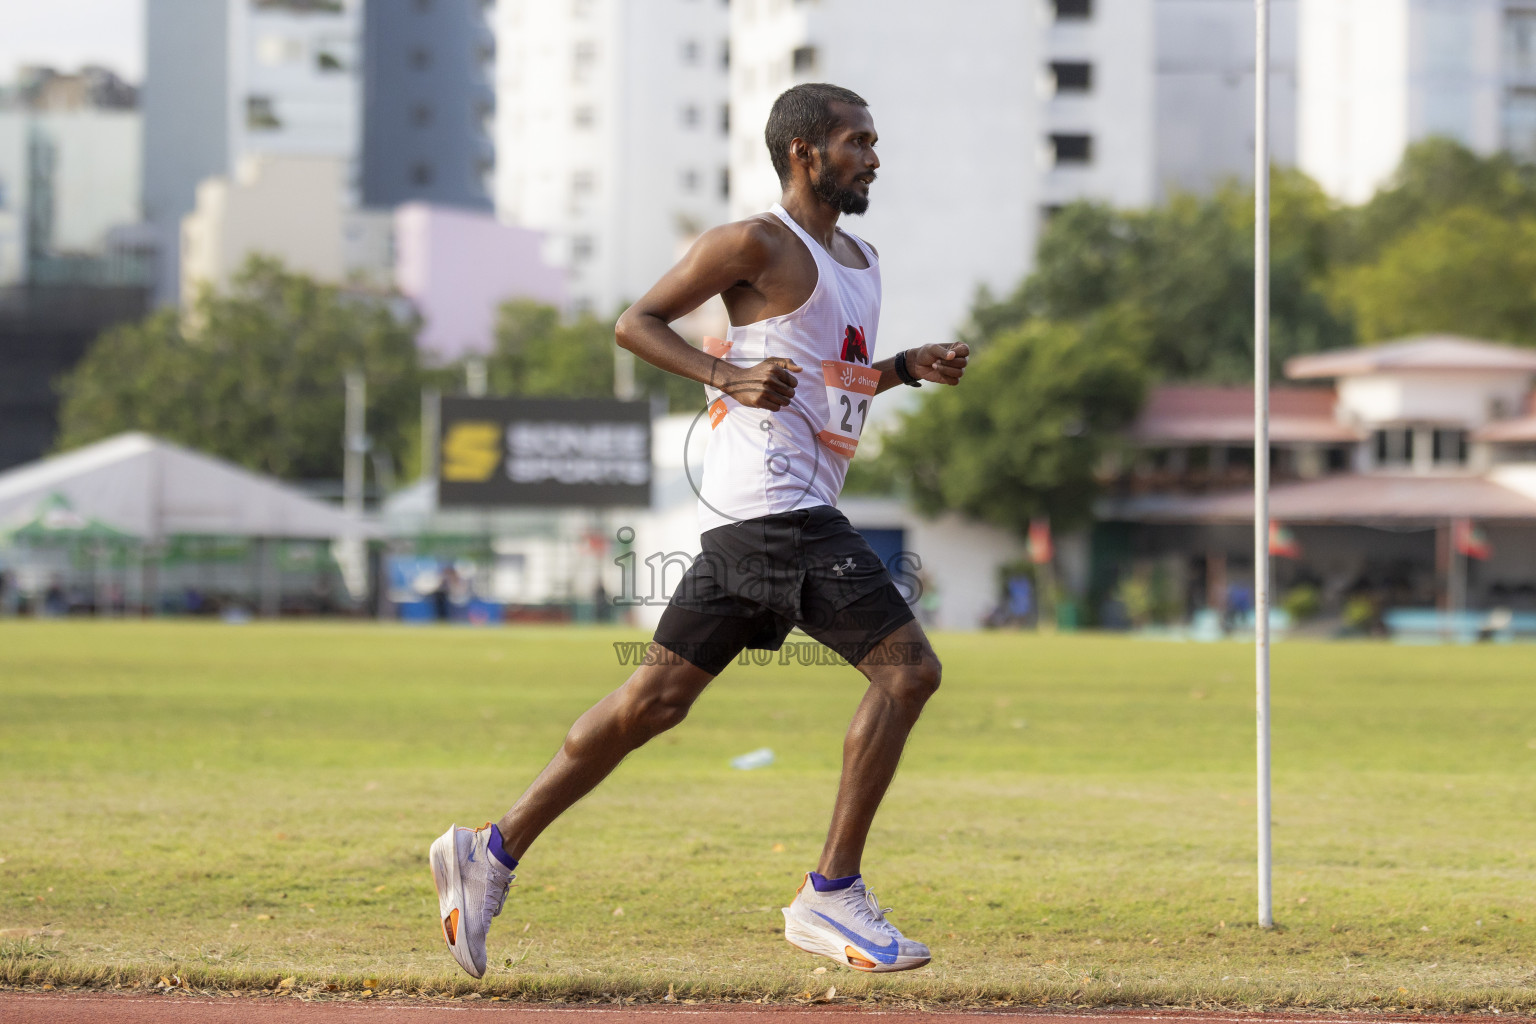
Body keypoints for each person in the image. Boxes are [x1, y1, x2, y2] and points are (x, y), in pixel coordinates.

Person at [430, 83, 971, 979]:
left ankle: (491, 848)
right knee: (908, 670)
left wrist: (903, 370)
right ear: (805, 152)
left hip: (756, 518)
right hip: (775, 507)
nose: (874, 155)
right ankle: (831, 893)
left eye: (875, 141)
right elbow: (634, 323)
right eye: (857, 141)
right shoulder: (755, 241)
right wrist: (723, 373)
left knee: (654, 704)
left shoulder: (862, 258)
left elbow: (826, 379)